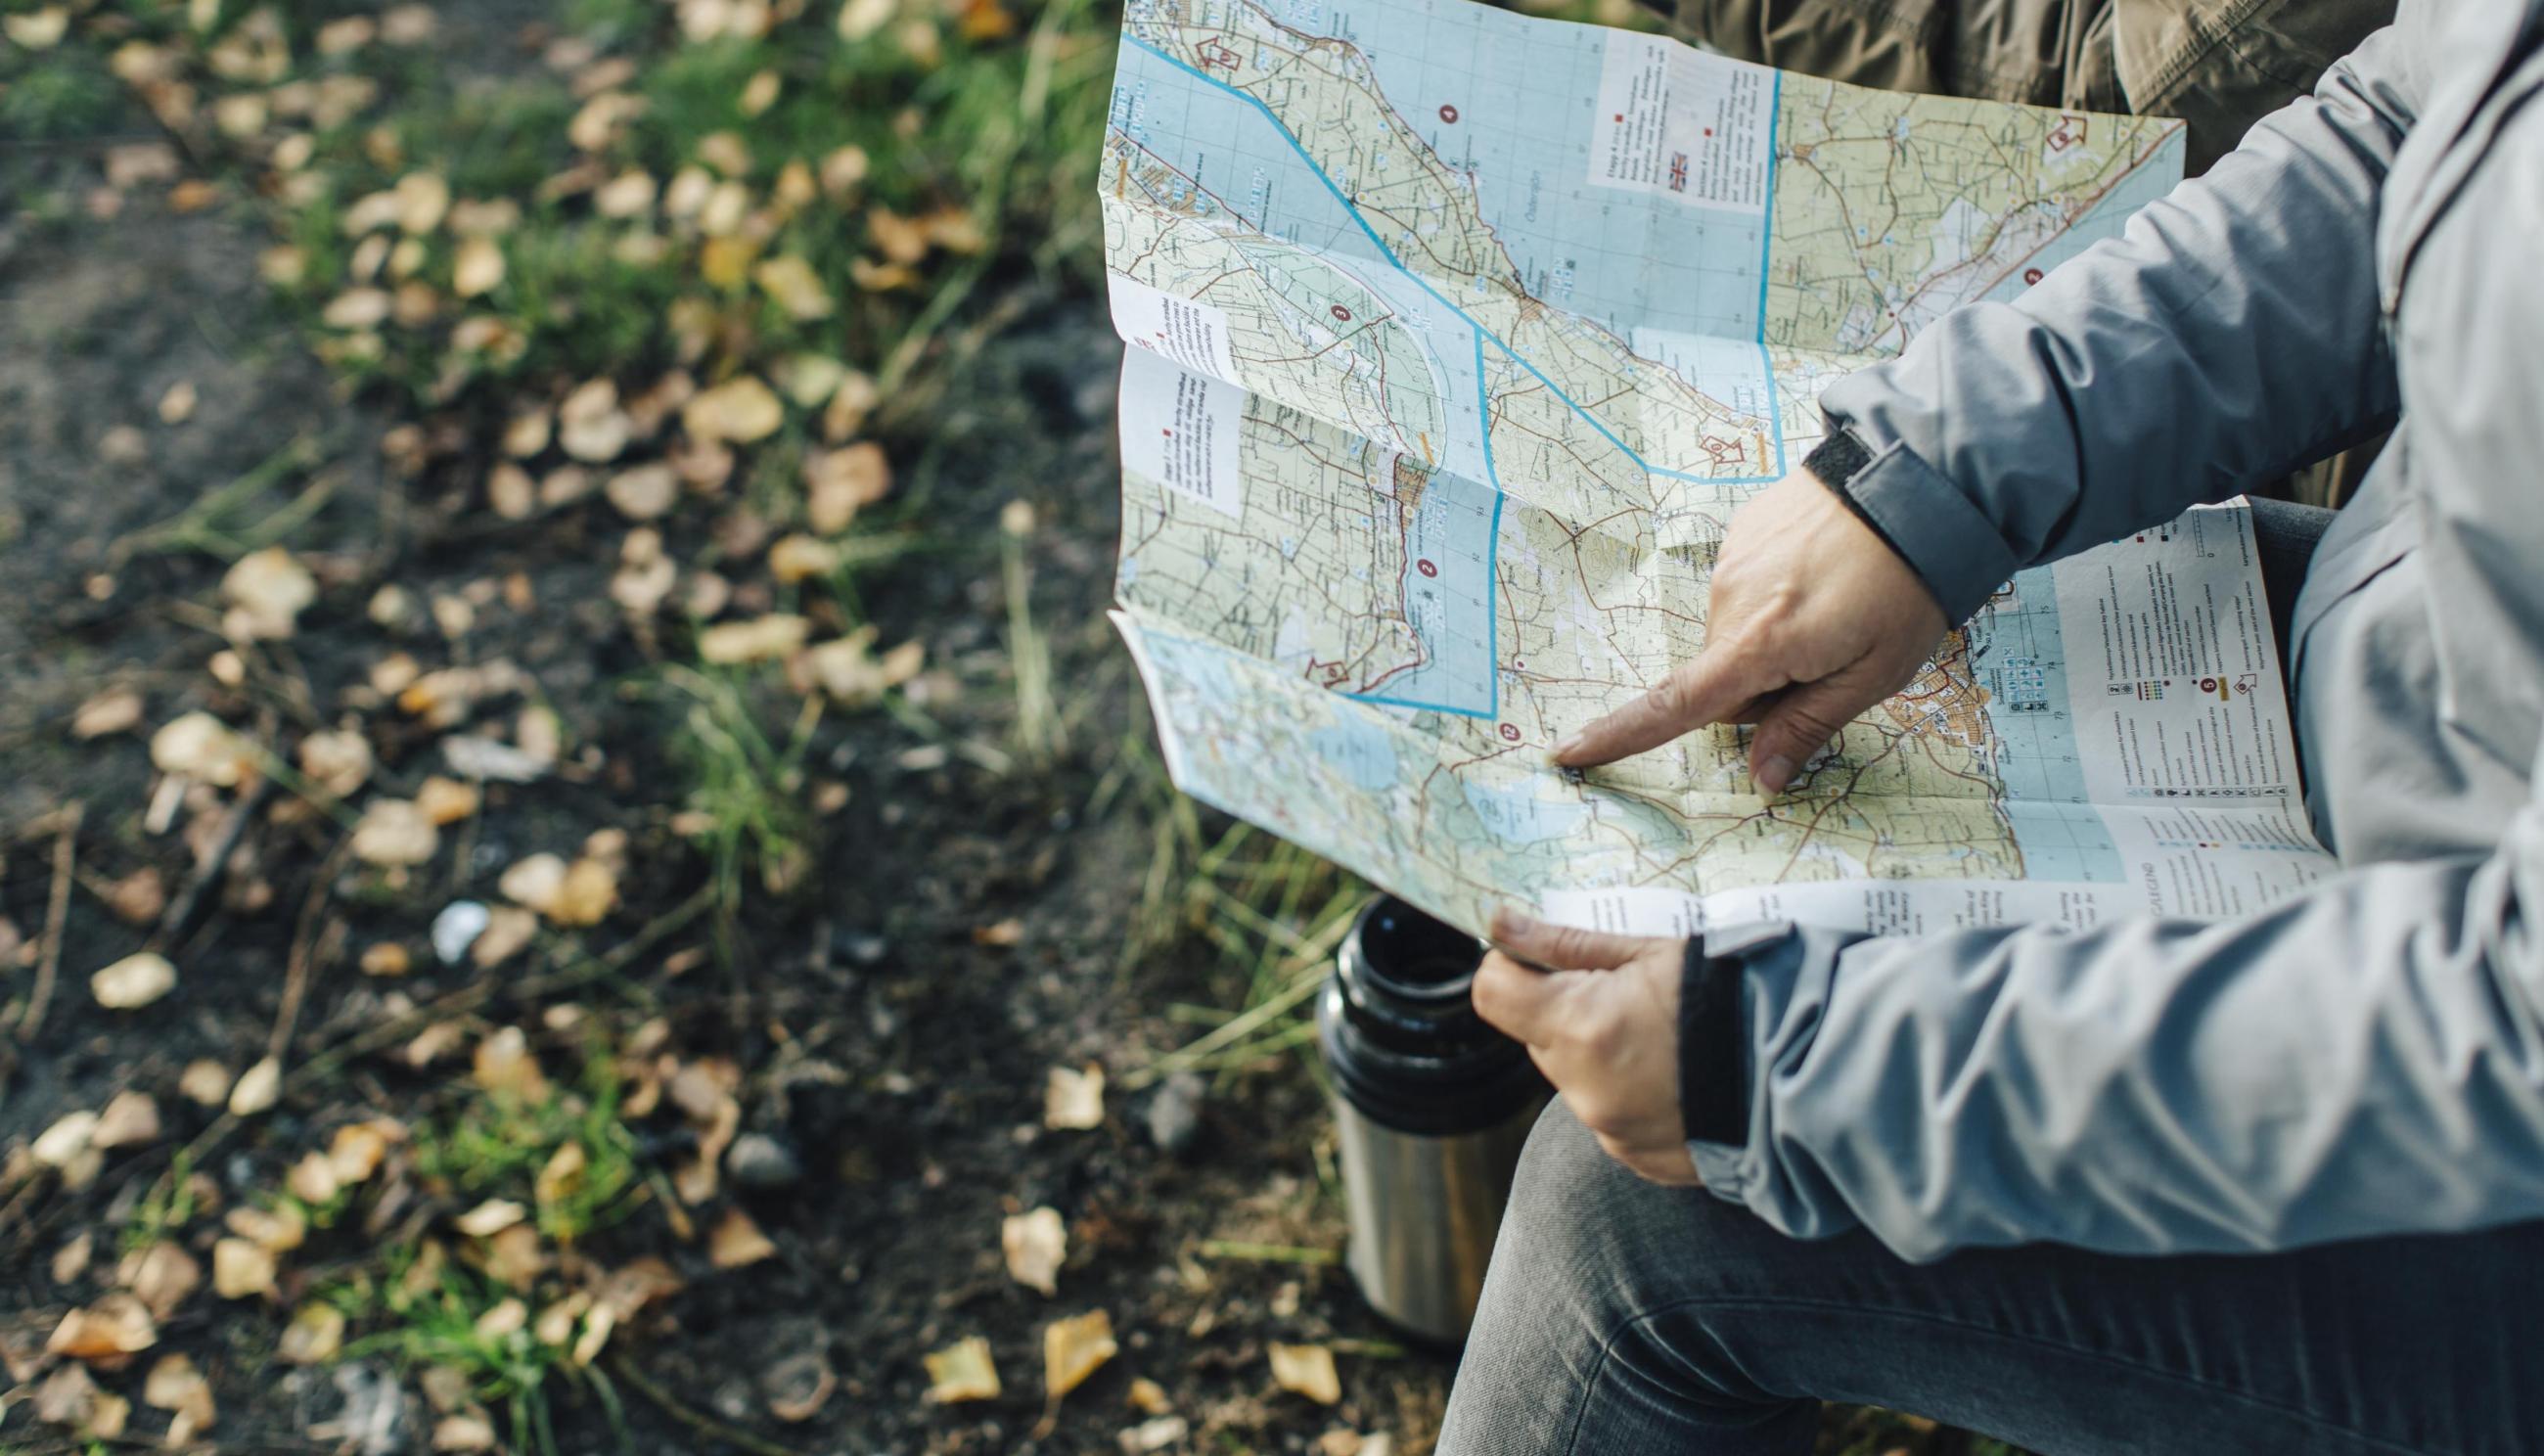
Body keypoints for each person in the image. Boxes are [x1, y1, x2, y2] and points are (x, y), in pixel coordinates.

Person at [1438, 1, 2544, 1452]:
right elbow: (2412, 124)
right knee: (1984, 612)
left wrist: (1798, 1076)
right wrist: (1925, 486)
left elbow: (2512, 1022)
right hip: (2411, 668)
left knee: (1632, 1228)